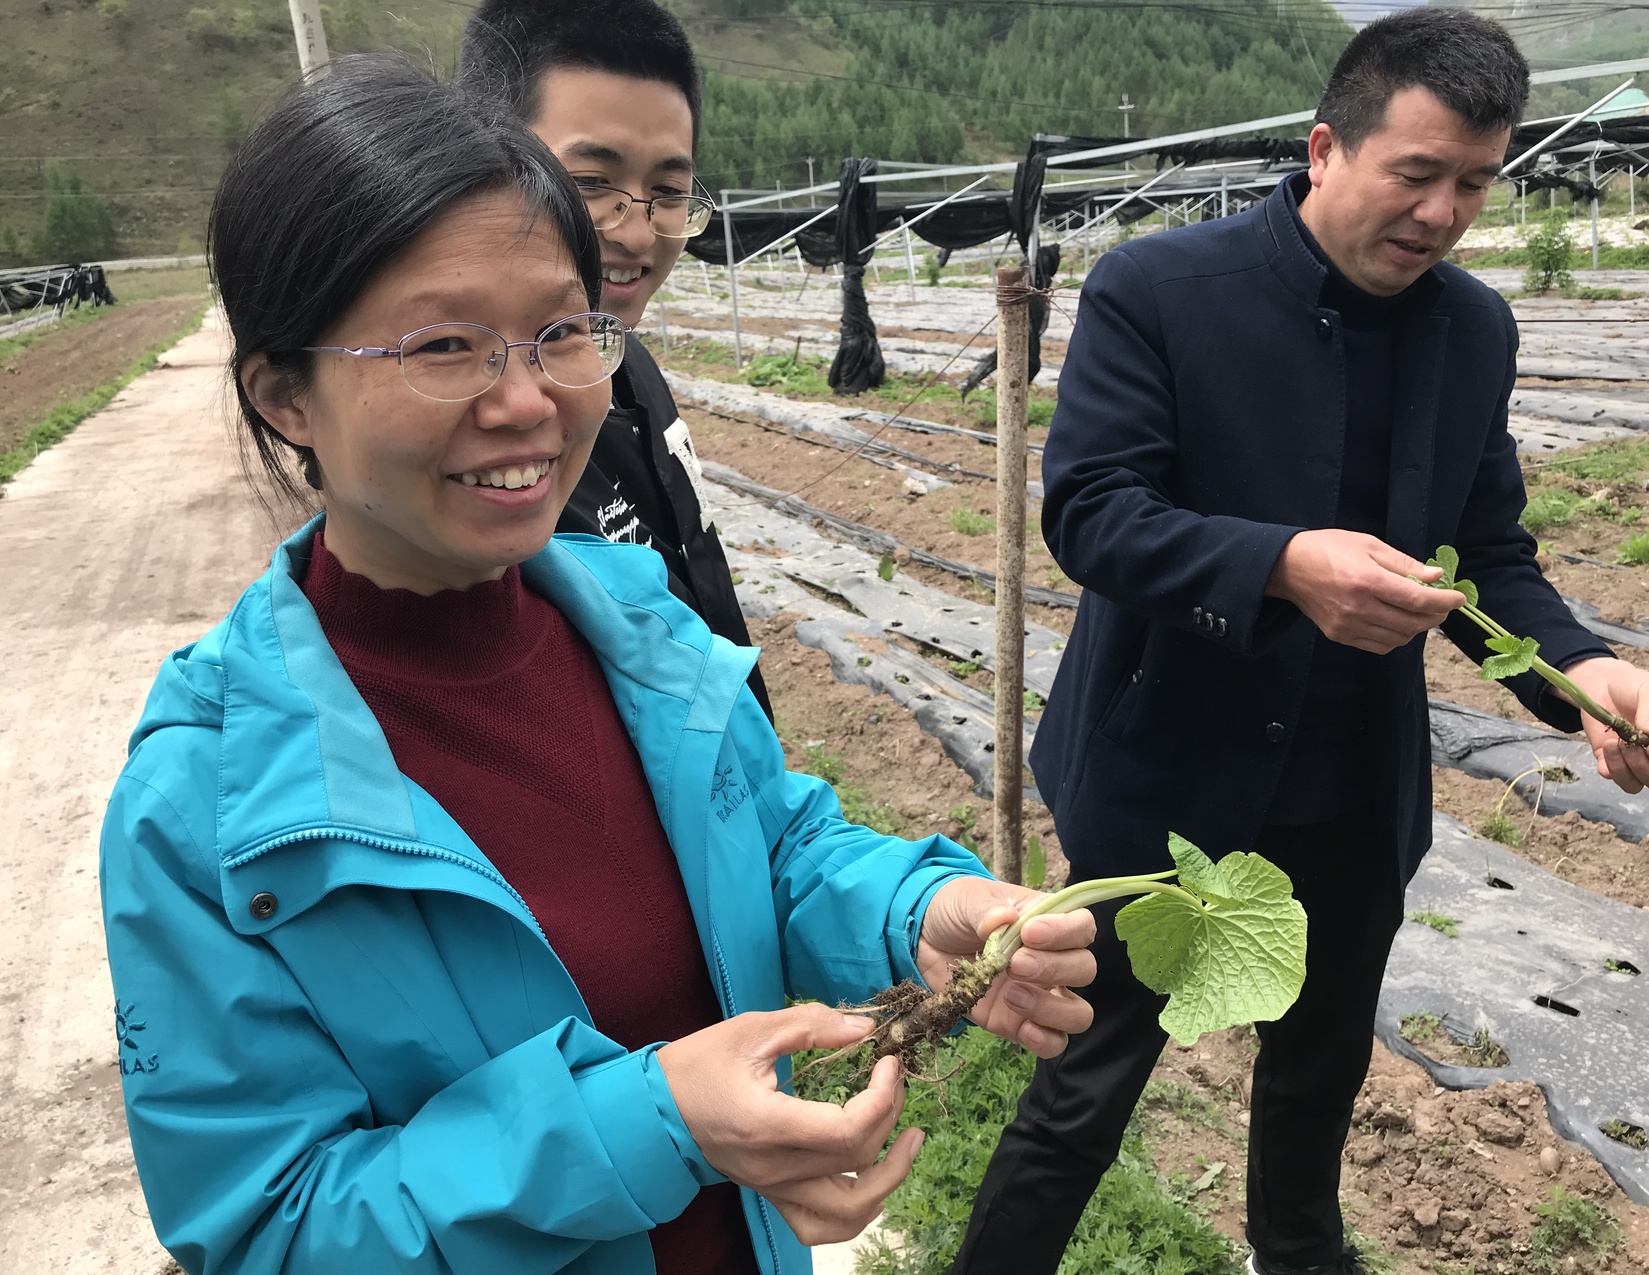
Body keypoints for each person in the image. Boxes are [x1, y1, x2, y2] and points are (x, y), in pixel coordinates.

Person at [100, 58, 1096, 1275]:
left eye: (562, 333)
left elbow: (770, 845)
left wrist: (909, 910)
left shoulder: (638, 626)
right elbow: (269, 1226)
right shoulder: (205, 806)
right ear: (286, 395)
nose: (526, 402)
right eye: (444, 345)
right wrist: (654, 1122)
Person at [950, 11, 1649, 1275]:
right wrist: (1284, 567)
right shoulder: (1159, 293)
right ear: (1323, 149)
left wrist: (1577, 669)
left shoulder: (1473, 331)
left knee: (1316, 1081)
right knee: (1085, 1086)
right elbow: (1092, 513)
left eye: (1473, 182)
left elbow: (1490, 551)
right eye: (1415, 173)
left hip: (1350, 791)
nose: (1442, 211)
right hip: (1164, 780)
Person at [456, 0, 773, 719]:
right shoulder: (484, 446)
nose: (637, 232)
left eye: (668, 193)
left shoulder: (629, 367)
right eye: (593, 183)